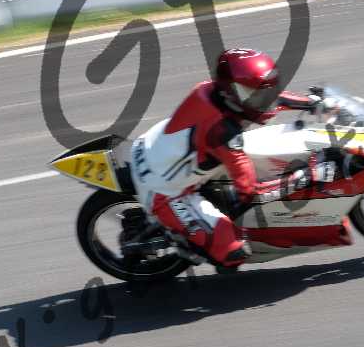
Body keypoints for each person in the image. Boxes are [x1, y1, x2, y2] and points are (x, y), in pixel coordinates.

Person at [130, 48, 336, 269]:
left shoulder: (212, 90)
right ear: (230, 92)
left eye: (266, 91)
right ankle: (187, 240)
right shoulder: (223, 133)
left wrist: (310, 102)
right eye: (255, 95)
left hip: (153, 146)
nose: (263, 101)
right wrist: (307, 177)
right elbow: (250, 193)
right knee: (234, 253)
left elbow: (266, 98)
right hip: (162, 190)